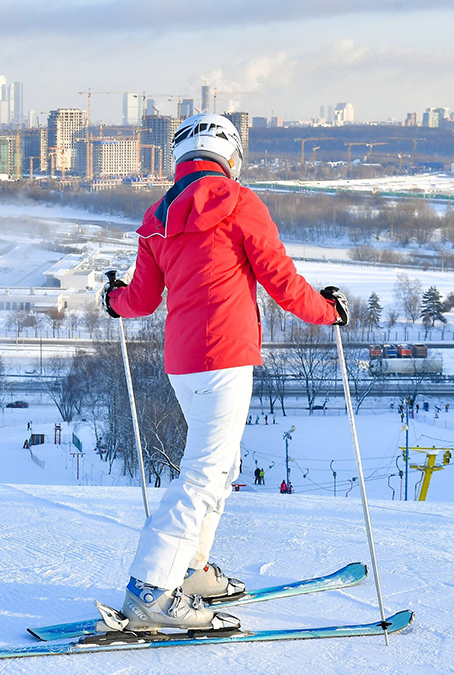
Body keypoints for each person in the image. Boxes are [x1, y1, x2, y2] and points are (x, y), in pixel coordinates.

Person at [100, 114, 347, 632]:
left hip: (184, 363)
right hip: (227, 357)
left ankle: (190, 570)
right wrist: (327, 310)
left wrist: (113, 299)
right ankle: (151, 588)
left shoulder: (158, 216)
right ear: (229, 157)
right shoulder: (241, 203)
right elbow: (280, 279)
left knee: (222, 466)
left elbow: (141, 301)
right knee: (206, 474)